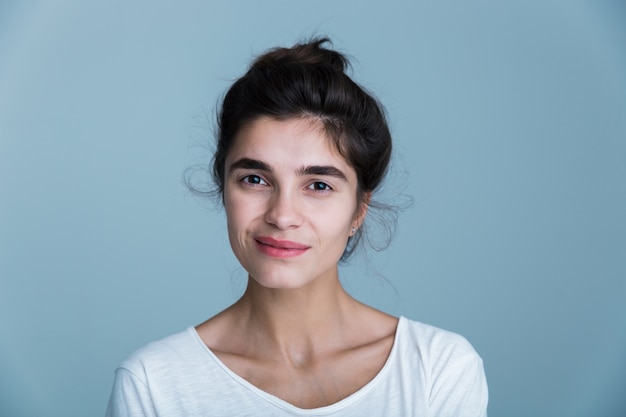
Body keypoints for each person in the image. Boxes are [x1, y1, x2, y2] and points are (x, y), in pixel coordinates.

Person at [105, 38, 488, 417]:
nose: (282, 215)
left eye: (319, 186)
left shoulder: (437, 371)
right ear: (224, 188)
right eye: (255, 179)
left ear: (359, 210)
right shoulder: (154, 384)